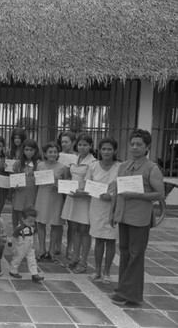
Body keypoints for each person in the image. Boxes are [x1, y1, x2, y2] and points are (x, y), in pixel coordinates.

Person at [110, 129, 164, 306]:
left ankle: (130, 293)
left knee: (136, 254)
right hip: (124, 215)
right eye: (132, 144)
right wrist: (113, 212)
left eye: (139, 144)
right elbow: (117, 191)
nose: (134, 147)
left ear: (147, 147)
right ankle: (124, 287)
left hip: (140, 218)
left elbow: (159, 194)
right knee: (125, 252)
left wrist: (137, 195)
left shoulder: (152, 168)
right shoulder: (123, 166)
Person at [62, 133, 97, 273]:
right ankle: (74, 257)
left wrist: (82, 192)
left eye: (85, 145)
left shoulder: (93, 162)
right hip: (72, 197)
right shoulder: (74, 159)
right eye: (80, 145)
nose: (82, 147)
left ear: (90, 146)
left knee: (85, 231)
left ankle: (83, 261)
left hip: (84, 199)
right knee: (75, 228)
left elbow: (92, 182)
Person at [86, 137, 120, 284]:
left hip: (113, 207)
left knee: (111, 240)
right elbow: (88, 185)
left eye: (109, 149)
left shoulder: (120, 167)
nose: (106, 152)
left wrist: (112, 196)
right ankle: (97, 270)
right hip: (97, 206)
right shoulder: (93, 166)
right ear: (99, 150)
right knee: (99, 239)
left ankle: (107, 272)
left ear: (115, 151)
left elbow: (123, 187)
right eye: (104, 149)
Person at [35, 142, 68, 263]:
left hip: (56, 198)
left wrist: (58, 187)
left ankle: (52, 251)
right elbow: (36, 180)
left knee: (55, 224)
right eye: (50, 152)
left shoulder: (63, 167)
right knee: (41, 224)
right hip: (42, 196)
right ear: (45, 153)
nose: (53, 154)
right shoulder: (40, 165)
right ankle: (42, 249)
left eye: (55, 152)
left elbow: (67, 183)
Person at [11, 139, 41, 230]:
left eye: (31, 150)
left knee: (31, 215)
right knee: (19, 215)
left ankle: (31, 236)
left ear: (35, 150)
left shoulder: (39, 164)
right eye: (26, 150)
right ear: (23, 150)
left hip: (33, 193)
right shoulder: (18, 163)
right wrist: (14, 185)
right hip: (20, 193)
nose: (28, 152)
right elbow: (13, 177)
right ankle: (17, 234)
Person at [9, 206, 44, 282]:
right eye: (30, 221)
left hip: (30, 245)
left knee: (32, 259)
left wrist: (35, 243)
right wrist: (13, 247)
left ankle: (34, 274)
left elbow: (35, 235)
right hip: (21, 245)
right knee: (18, 257)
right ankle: (13, 270)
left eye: (33, 221)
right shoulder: (19, 228)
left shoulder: (33, 227)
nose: (32, 223)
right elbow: (14, 238)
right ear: (23, 219)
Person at [58, 131, 78, 257]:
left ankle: (70, 247)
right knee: (58, 220)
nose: (64, 144)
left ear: (73, 142)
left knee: (71, 221)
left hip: (71, 191)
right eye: (62, 142)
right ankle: (57, 245)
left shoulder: (77, 157)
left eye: (66, 142)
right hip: (57, 191)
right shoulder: (57, 155)